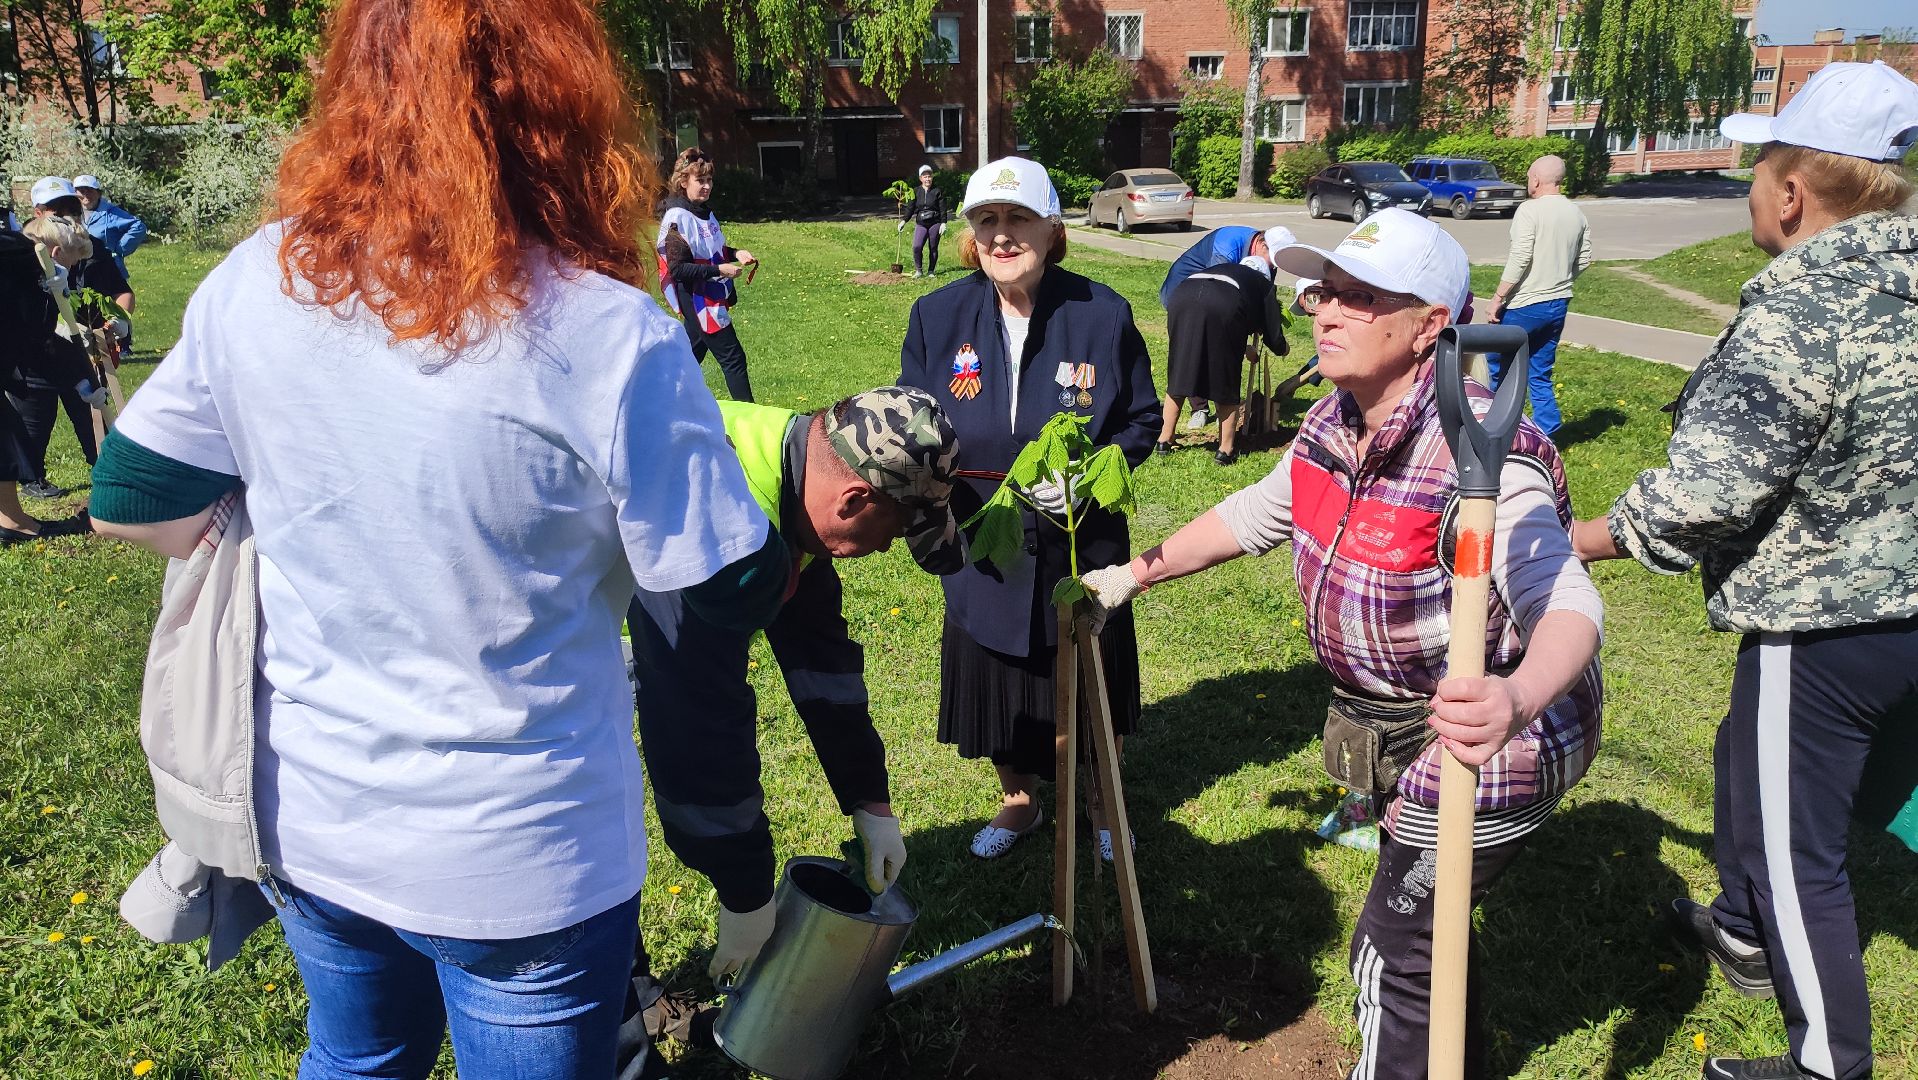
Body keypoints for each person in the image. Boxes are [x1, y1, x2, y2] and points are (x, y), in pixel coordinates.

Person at [87, 0, 788, 1075]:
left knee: (357, 1059)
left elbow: (130, 500)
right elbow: (729, 585)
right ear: (561, 102)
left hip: (316, 817)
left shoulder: (261, 280)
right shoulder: (603, 334)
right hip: (521, 855)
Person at [1082, 208, 1605, 1080]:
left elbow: (1568, 601)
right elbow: (1259, 512)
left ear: (1431, 326)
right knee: (1430, 940)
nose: (1324, 311)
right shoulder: (1334, 420)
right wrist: (1131, 575)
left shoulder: (1484, 448)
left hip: (1496, 733)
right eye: (1325, 291)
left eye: (1360, 298)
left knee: (1394, 945)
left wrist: (1514, 698)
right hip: (1400, 722)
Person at [1570, 61, 1918, 1080]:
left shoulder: (1801, 310)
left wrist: (1581, 534)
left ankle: (1826, 1061)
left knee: (1797, 846)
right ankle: (1737, 923)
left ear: (1793, 192)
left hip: (1827, 625)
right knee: (1742, 760)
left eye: (1757, 164)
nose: (1751, 187)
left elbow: (1709, 491)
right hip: (1906, 611)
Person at [615, 386, 965, 1078]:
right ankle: (615, 1023)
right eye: (894, 533)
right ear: (856, 500)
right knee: (588, 840)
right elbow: (696, 728)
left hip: (639, 640)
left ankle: (626, 993)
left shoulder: (794, 463)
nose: (884, 550)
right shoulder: (713, 519)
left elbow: (822, 660)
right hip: (525, 663)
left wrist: (871, 801)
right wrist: (747, 894)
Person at [898, 156, 1161, 862]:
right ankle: (1019, 798)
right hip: (984, 544)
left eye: (1018, 219)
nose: (1002, 236)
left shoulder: (1101, 314)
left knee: (1089, 680)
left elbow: (1141, 419)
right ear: (970, 234)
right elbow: (914, 419)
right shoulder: (937, 315)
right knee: (996, 680)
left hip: (1080, 544)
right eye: (987, 221)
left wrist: (1093, 480)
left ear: (1052, 228)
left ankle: (1103, 804)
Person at [1484, 155, 1591, 438]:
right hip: (1558, 304)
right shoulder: (1575, 213)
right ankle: (1548, 432)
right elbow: (1585, 259)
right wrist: (1559, 280)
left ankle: (1493, 428)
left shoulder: (1529, 211)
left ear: (1536, 180)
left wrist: (1498, 297)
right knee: (1539, 371)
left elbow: (1520, 257)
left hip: (1524, 304)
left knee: (1497, 366)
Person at [1159, 224, 1295, 431]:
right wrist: (1265, 343)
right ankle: (1200, 408)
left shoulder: (1262, 256)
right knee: (1193, 354)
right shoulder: (1227, 245)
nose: (1272, 267)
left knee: (1212, 350)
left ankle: (1202, 411)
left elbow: (1254, 301)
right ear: (1261, 244)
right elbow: (1222, 312)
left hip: (1211, 298)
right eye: (1272, 260)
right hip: (1184, 291)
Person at [658, 147, 756, 402]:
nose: (707, 186)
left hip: (708, 293)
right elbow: (677, 269)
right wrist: (718, 270)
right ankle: (752, 418)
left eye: (709, 180)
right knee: (733, 358)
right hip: (698, 298)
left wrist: (736, 253)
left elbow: (713, 249)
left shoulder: (705, 212)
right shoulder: (677, 217)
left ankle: (664, 406)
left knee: (689, 358)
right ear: (683, 182)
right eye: (700, 180)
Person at [74, 174, 148, 281]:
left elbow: (138, 227)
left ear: (99, 193)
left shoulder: (112, 213)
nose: (86, 194)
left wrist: (119, 249)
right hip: (81, 272)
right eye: (81, 191)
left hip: (109, 271)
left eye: (90, 190)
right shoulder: (72, 213)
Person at [899, 164, 948, 277]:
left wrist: (943, 223)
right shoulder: (916, 191)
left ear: (932, 177)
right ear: (920, 178)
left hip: (934, 223)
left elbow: (942, 208)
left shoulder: (937, 191)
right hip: (921, 223)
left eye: (929, 176)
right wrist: (903, 221)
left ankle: (931, 271)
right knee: (917, 246)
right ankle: (919, 271)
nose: (927, 179)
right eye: (925, 176)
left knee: (933, 247)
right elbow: (910, 208)